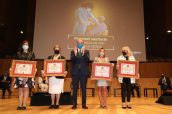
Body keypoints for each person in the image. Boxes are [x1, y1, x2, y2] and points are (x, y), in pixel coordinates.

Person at [11, 40, 35, 110]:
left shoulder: (31, 53)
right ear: (22, 45)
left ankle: (24, 104)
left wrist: (32, 72)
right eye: (24, 44)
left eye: (27, 44)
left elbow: (33, 63)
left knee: (26, 89)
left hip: (28, 74)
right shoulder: (18, 53)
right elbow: (14, 63)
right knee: (20, 89)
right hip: (20, 74)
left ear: (28, 46)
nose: (25, 45)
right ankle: (19, 104)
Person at [42, 45, 67, 109]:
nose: (57, 49)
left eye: (58, 48)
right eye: (55, 48)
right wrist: (43, 71)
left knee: (58, 91)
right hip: (51, 77)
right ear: (54, 49)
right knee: (52, 90)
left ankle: (57, 103)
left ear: (60, 49)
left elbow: (66, 67)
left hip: (59, 77)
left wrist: (65, 72)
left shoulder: (62, 58)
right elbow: (45, 66)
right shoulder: (50, 57)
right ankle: (52, 103)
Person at [70, 38, 90, 109]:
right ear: (77, 43)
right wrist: (75, 53)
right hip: (75, 73)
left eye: (81, 42)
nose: (80, 44)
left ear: (83, 43)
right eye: (78, 42)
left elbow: (88, 60)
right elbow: (72, 60)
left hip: (83, 73)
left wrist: (83, 52)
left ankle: (84, 104)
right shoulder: (73, 51)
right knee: (75, 89)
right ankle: (74, 104)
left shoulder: (86, 51)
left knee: (83, 89)